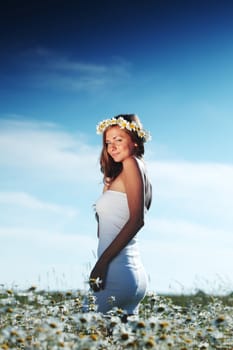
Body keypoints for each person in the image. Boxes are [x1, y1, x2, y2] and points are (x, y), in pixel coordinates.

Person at [89, 114, 152, 318]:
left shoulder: (132, 164)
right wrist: (107, 187)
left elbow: (137, 220)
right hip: (132, 273)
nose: (112, 147)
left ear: (134, 141)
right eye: (108, 142)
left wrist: (101, 263)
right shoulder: (134, 172)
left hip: (115, 271)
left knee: (84, 332)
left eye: (118, 139)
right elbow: (104, 231)